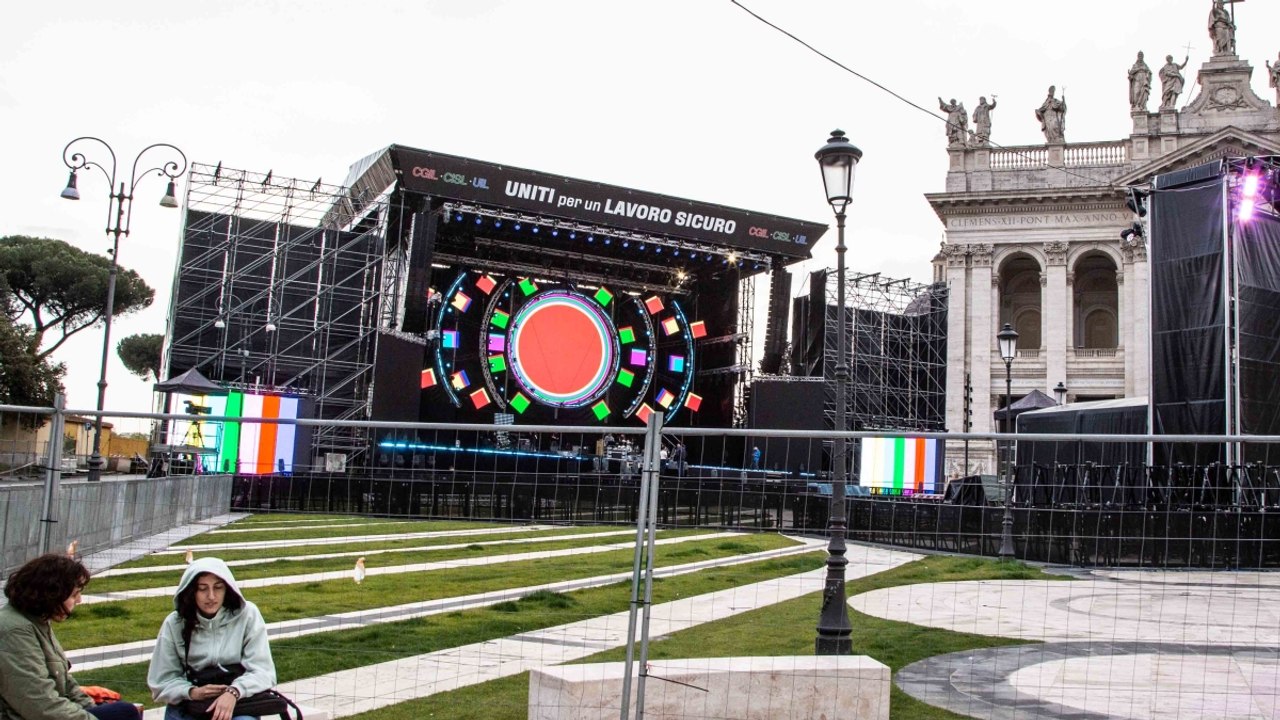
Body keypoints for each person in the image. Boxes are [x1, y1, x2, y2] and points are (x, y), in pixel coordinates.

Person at [0, 554, 141, 720]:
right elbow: (39, 704)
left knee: (123, 711)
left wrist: (90, 707)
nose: (79, 600)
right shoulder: (15, 630)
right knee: (124, 713)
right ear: (51, 594)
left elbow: (66, 684)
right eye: (74, 595)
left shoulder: (38, 621)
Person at [148, 558, 276, 720]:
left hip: (238, 704)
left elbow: (263, 671)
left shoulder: (248, 615)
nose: (211, 596)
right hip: (191, 705)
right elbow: (161, 680)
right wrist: (192, 692)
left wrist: (234, 692)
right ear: (191, 592)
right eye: (202, 589)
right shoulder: (175, 623)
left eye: (218, 587)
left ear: (227, 589)